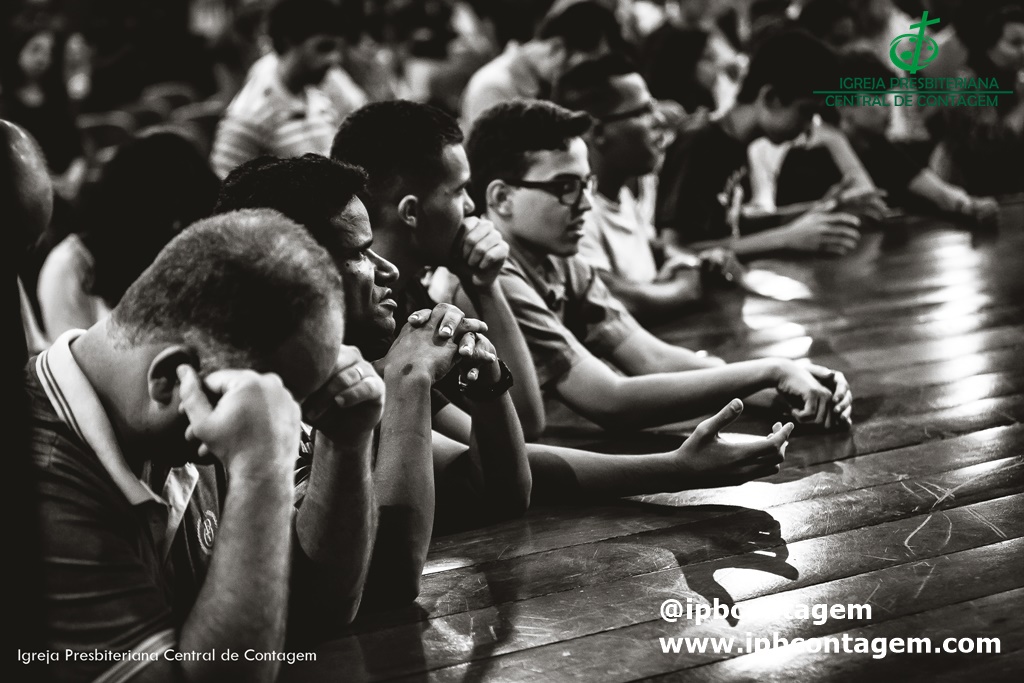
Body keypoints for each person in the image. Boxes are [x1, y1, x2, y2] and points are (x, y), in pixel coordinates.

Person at [216, 153, 795, 554]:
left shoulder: (366, 350)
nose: (472, 209)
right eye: (458, 190)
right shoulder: (255, 404)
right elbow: (391, 571)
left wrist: (490, 387)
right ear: (294, 269)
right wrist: (411, 380)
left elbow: (496, 484)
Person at [28, 209, 380, 681]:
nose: (286, 420)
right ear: (170, 379)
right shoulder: (38, 479)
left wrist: (346, 441)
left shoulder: (185, 414)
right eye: (280, 403)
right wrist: (261, 466)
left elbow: (318, 610)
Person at [467, 98, 853, 432]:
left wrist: (775, 390)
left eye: (586, 185)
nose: (585, 204)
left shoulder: (560, 260)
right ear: (501, 198)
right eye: (565, 187)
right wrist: (770, 371)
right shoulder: (493, 275)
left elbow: (653, 358)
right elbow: (611, 401)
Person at [552, 52, 746, 320]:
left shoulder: (622, 194)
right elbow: (607, 298)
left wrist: (696, 261)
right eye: (643, 112)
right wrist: (685, 287)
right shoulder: (577, 212)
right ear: (597, 132)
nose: (659, 120)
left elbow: (653, 249)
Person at [654, 29, 866, 258]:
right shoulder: (698, 142)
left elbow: (734, 224)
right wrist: (785, 238)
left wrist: (819, 210)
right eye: (805, 112)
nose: (808, 127)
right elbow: (675, 248)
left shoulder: (736, 143)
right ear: (770, 97)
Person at [773, 51, 1001, 225]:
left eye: (886, 96)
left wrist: (969, 205)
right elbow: (871, 209)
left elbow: (940, 193)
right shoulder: (804, 161)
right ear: (842, 104)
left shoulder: (879, 148)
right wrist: (837, 143)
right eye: (876, 96)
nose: (888, 106)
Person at [36, 131, 221, 341]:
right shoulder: (68, 266)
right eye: (167, 217)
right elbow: (71, 357)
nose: (177, 230)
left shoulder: (196, 252)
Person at [209, 0, 360, 178]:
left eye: (337, 49)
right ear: (289, 41)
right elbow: (222, 186)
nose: (334, 59)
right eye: (323, 47)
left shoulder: (318, 97)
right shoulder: (251, 113)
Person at [460, 0, 624, 127]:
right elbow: (496, 158)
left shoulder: (543, 86)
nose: (581, 77)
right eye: (583, 67)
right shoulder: (493, 87)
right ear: (556, 47)